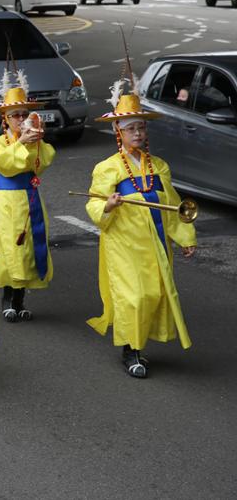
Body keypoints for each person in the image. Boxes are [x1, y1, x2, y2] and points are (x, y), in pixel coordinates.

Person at [85, 83, 196, 379]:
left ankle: (137, 344)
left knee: (153, 295)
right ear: (118, 132)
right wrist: (107, 206)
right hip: (123, 244)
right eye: (131, 129)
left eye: (141, 128)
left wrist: (185, 237)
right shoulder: (107, 168)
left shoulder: (158, 167)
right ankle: (130, 351)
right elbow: (94, 205)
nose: (137, 133)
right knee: (134, 297)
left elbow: (172, 205)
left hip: (155, 245)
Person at [0, 71, 55, 322]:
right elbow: (4, 165)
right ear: (4, 119)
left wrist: (35, 142)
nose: (20, 119)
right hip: (8, 201)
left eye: (23, 114)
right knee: (11, 247)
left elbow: (43, 162)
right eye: (14, 115)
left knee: (30, 247)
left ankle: (20, 300)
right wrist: (20, 143)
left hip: (30, 198)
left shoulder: (33, 141)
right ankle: (8, 298)